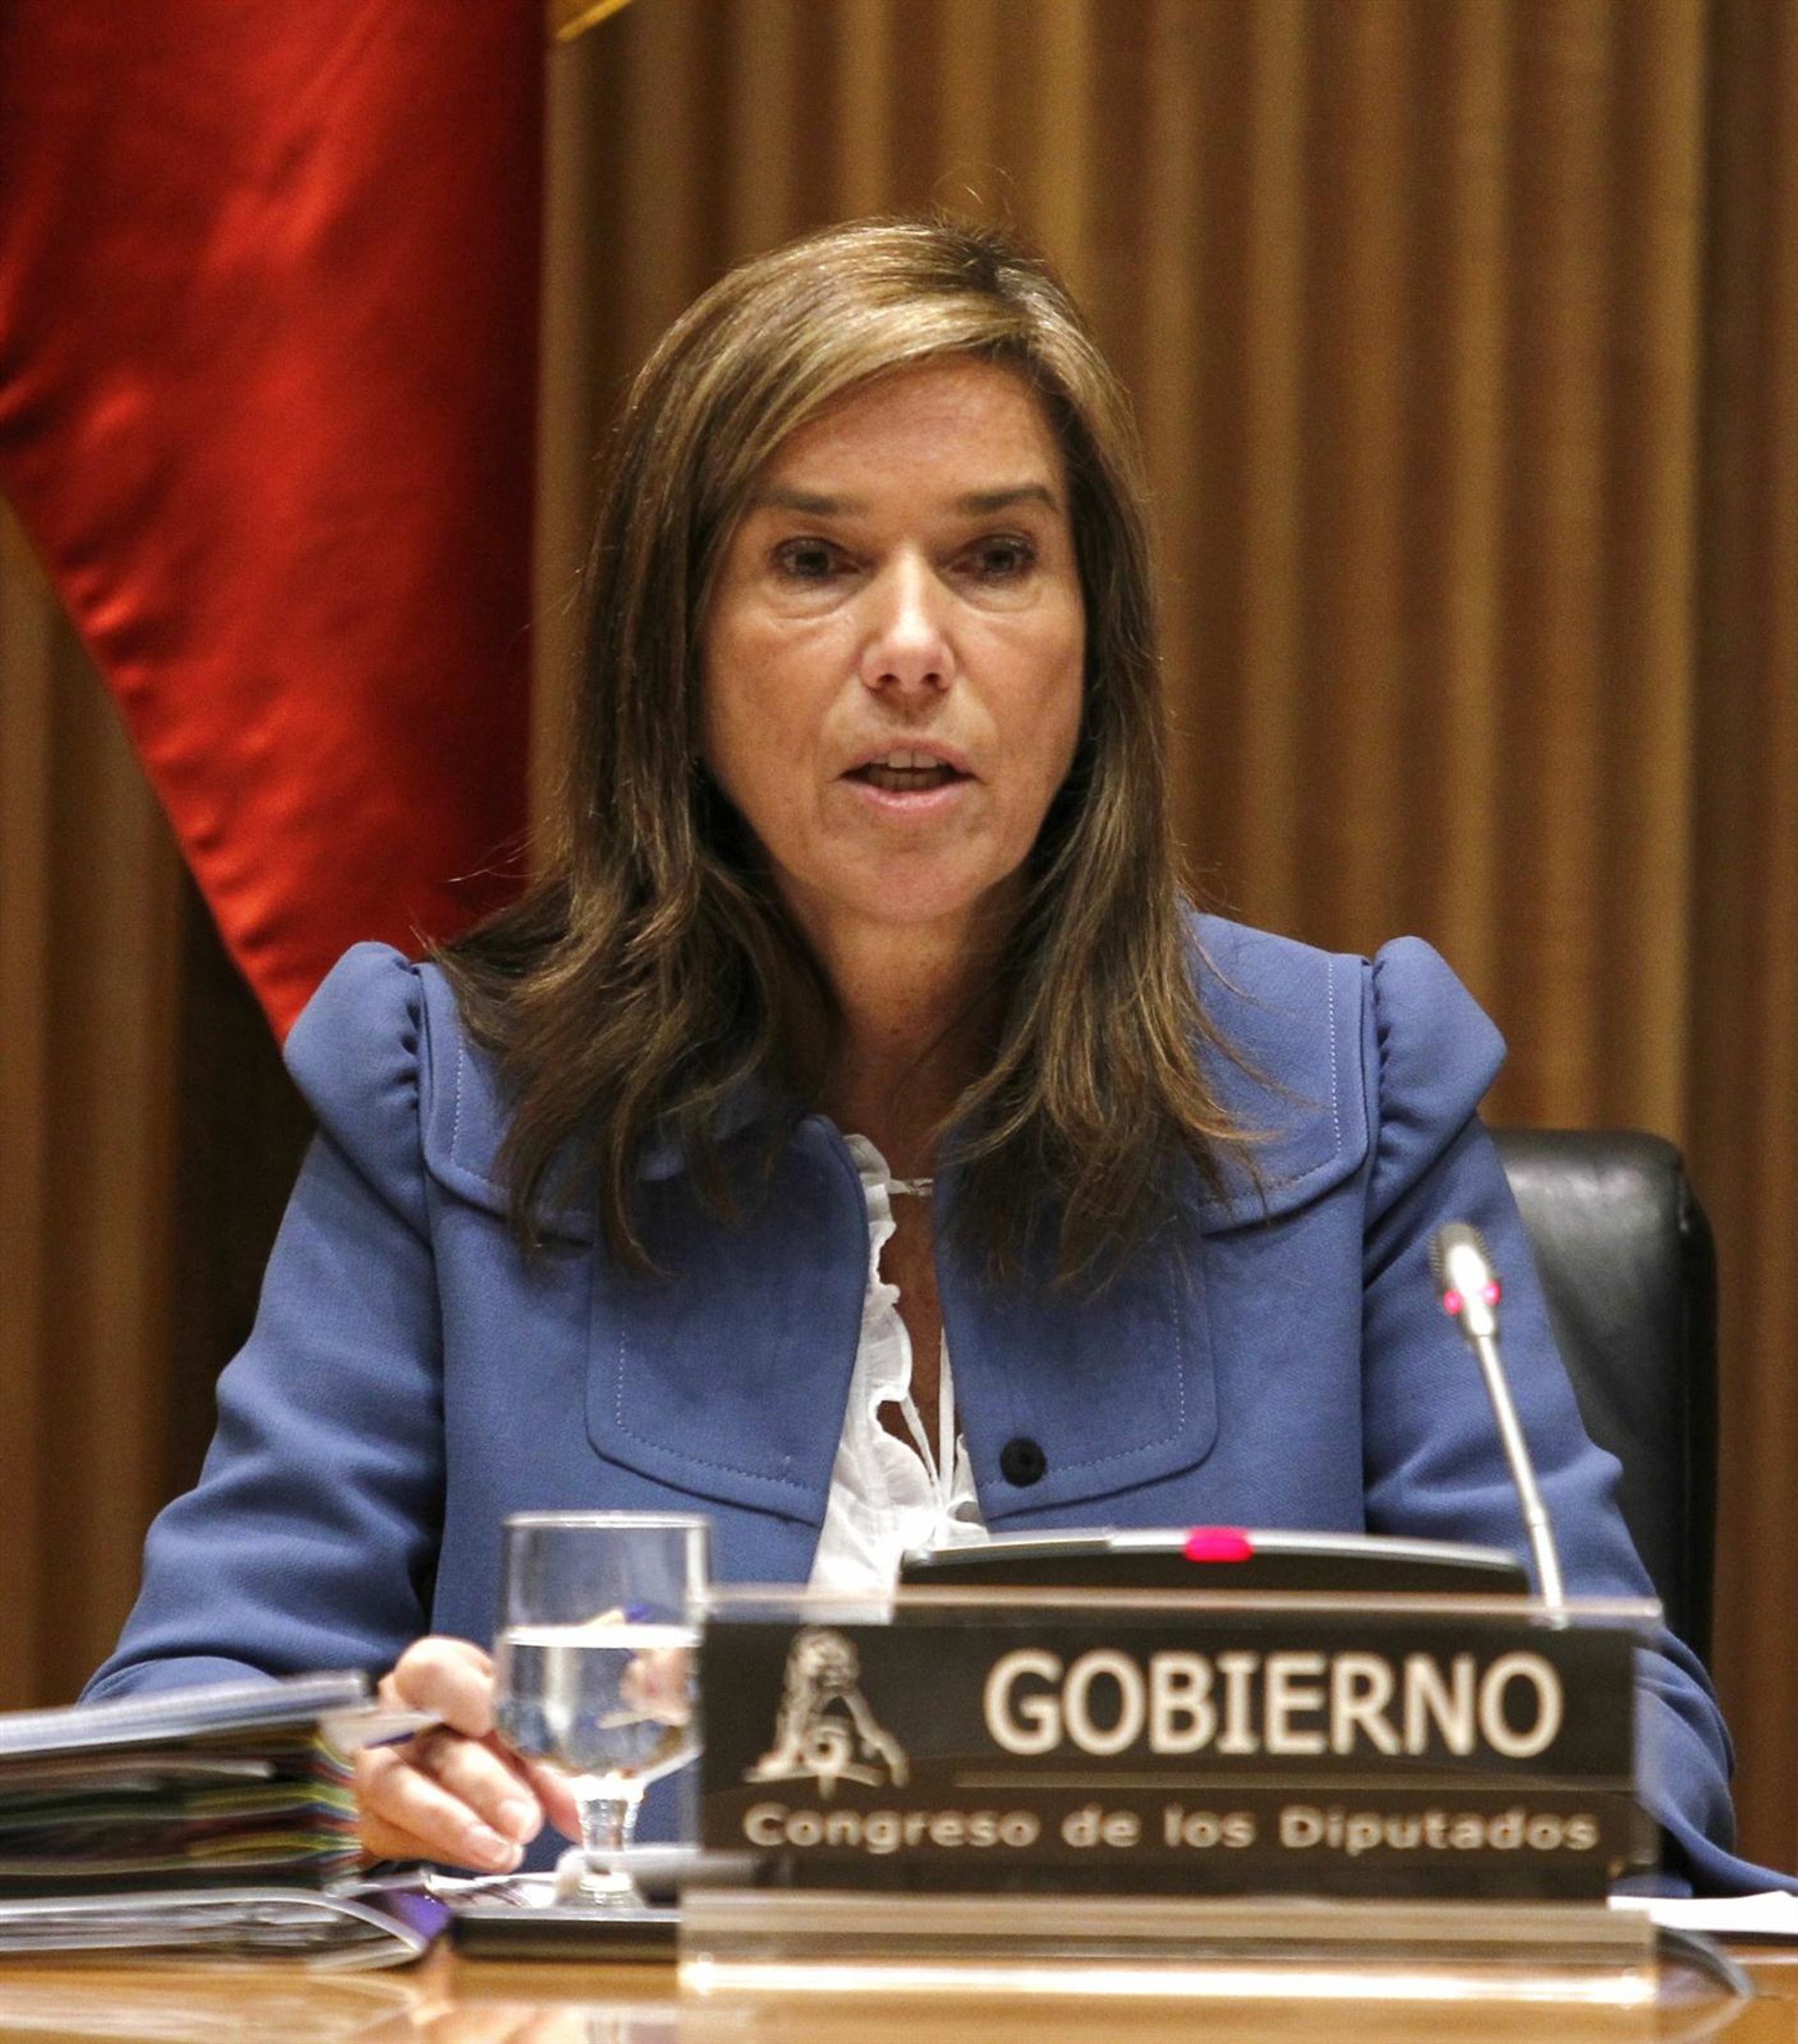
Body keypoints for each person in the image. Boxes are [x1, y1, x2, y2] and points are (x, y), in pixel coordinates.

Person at [87, 216, 1748, 1891]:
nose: (909, 646)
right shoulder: (451, 1094)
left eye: (996, 558)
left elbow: (1635, 1740)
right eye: (813, 560)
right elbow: (187, 1725)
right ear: (677, 647)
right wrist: (347, 1787)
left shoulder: (1352, 1087)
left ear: (1094, 646)